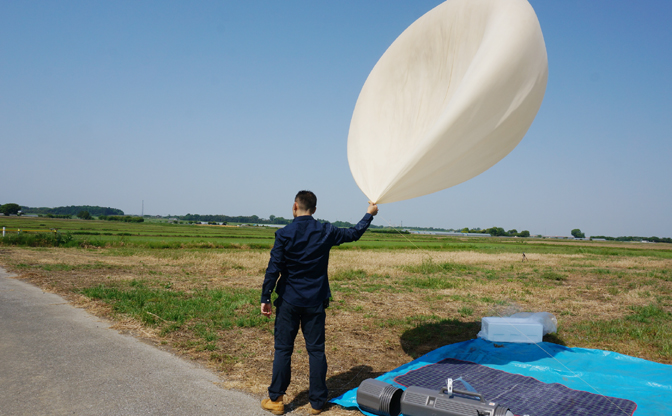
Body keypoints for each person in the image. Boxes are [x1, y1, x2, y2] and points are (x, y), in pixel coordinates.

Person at [260, 190, 378, 415]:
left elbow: (273, 268)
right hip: (315, 301)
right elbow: (354, 233)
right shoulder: (326, 230)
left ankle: (276, 400)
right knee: (316, 351)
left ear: (295, 206)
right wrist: (369, 214)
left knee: (283, 349)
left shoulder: (284, 233)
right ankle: (316, 403)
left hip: (288, 301)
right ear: (314, 210)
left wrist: (265, 297)